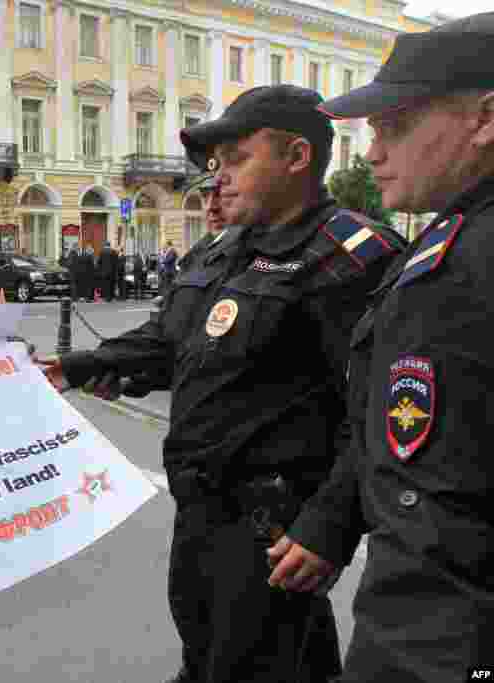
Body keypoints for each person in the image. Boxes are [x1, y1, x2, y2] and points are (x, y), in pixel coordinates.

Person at [40, 84, 406, 683]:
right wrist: (78, 366)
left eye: (237, 159)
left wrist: (329, 525)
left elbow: (374, 412)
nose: (220, 178)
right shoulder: (226, 248)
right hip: (201, 513)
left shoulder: (351, 257)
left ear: (296, 157)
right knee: (216, 657)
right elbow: (170, 339)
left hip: (275, 527)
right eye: (216, 163)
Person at [268, 13, 494, 683]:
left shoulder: (471, 259)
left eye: (395, 126)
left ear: (484, 118)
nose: (371, 153)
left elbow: (443, 517)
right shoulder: (453, 239)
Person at [177, 175, 228, 275]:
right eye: (205, 197)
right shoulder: (193, 256)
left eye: (220, 195)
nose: (210, 207)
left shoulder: (256, 257)